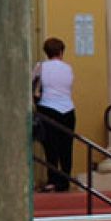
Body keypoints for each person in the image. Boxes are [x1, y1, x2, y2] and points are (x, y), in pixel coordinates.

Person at [33, 37, 75, 191]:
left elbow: (33, 85)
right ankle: (65, 180)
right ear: (61, 51)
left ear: (46, 52)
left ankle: (53, 179)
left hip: (47, 108)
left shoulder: (41, 67)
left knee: (50, 147)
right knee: (66, 146)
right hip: (68, 109)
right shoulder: (68, 68)